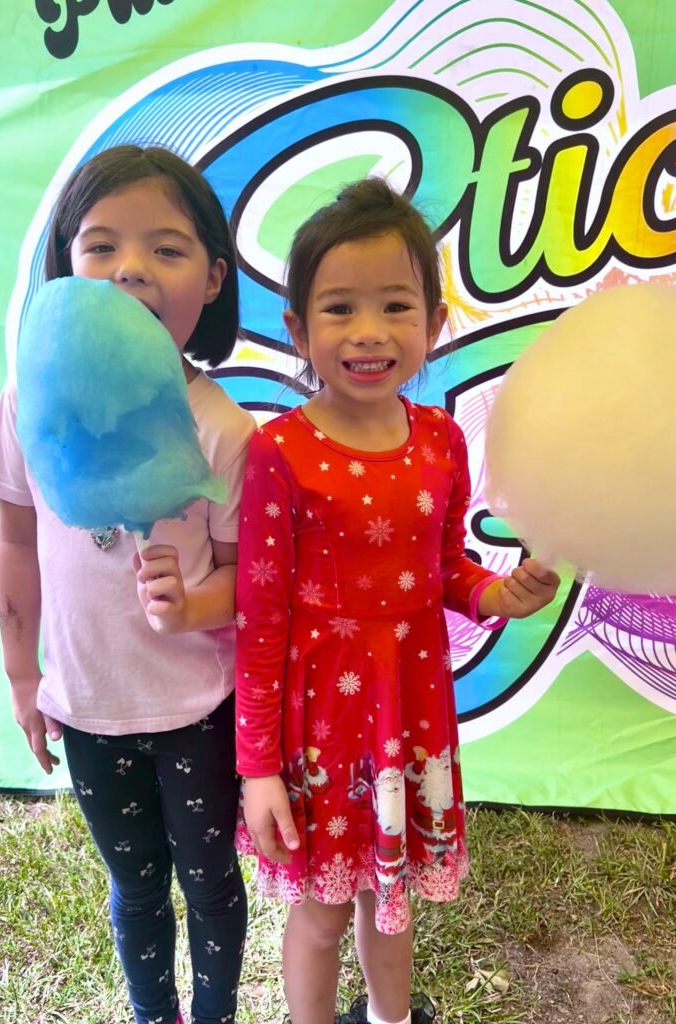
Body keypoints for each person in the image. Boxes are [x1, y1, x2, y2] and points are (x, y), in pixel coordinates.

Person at [234, 178, 560, 1024]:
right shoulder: (278, 453)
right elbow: (260, 619)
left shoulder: (443, 439)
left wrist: (499, 593)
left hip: (409, 712)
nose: (370, 331)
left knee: (395, 895)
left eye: (395, 305)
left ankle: (390, 1017)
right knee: (322, 909)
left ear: (434, 324)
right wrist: (259, 767)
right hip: (320, 727)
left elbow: (445, 568)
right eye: (339, 308)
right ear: (298, 329)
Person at [0, 145, 256, 1024]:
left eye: (165, 250)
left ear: (211, 279)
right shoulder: (30, 401)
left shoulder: (222, 431)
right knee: (135, 887)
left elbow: (254, 580)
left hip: (197, 707)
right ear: (66, 264)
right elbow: (16, 538)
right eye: (100, 247)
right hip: (88, 706)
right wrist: (24, 677)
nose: (129, 268)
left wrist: (195, 603)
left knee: (209, 882)